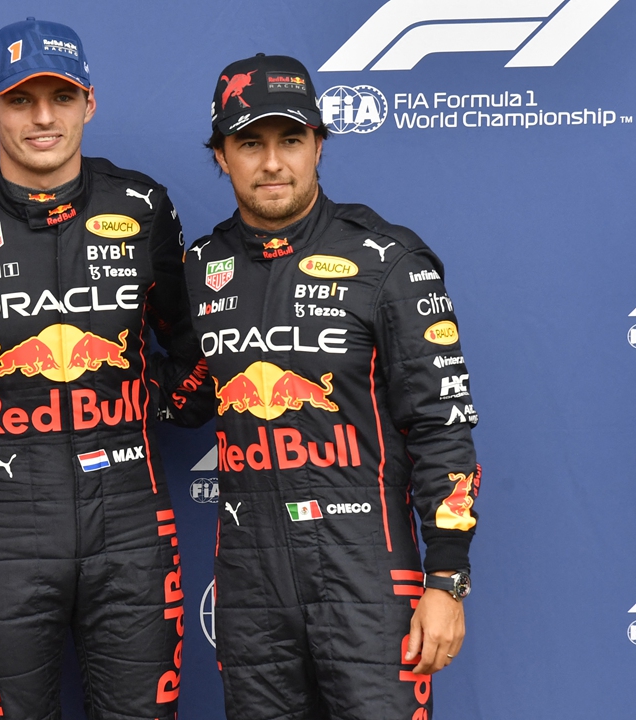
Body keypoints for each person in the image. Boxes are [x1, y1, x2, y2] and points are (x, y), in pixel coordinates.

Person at [0, 17, 208, 720]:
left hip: (132, 528)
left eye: (60, 98)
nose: (42, 117)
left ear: (89, 103)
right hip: (3, 530)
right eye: (19, 99)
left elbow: (197, 363)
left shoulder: (142, 206)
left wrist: (137, 403)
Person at [184, 53, 479, 719]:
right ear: (220, 156)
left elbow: (443, 427)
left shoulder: (389, 259)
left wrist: (447, 581)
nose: (272, 163)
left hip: (369, 575)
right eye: (249, 143)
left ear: (318, 144)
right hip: (250, 576)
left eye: (290, 140)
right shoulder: (199, 270)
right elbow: (183, 401)